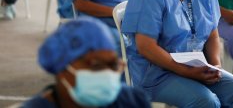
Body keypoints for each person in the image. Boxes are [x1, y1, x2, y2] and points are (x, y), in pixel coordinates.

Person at [22, 17, 151, 108]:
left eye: (113, 65)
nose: (107, 74)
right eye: (96, 65)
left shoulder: (132, 101)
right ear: (62, 68)